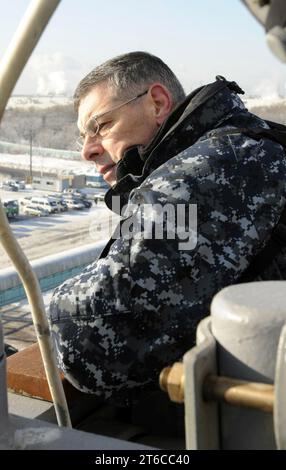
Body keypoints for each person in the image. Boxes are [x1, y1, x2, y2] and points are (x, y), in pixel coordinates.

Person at [48, 51, 286, 406]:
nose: (87, 151)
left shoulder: (196, 175)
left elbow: (91, 343)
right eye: (82, 137)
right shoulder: (248, 141)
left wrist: (54, 306)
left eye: (101, 126)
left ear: (157, 103)